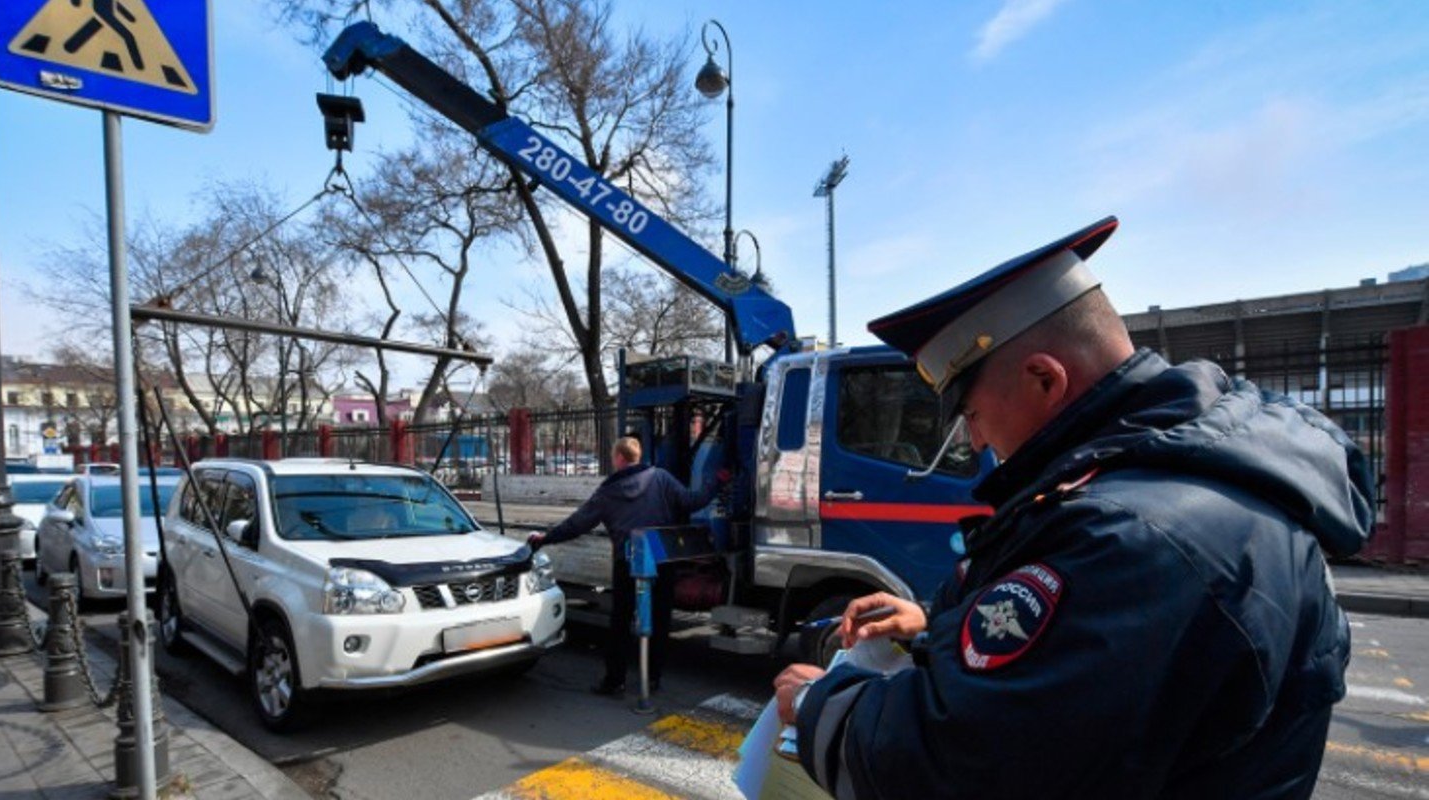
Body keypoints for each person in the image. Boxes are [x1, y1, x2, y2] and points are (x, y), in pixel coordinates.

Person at [773, 216, 1372, 799]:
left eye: (973, 414)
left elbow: (962, 763)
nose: (977, 442)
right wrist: (942, 630)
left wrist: (817, 704)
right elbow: (1103, 681)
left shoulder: (1130, 536)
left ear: (1043, 379)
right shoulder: (1199, 483)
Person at [530, 436, 728, 696]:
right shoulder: (661, 478)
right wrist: (717, 481)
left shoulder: (608, 491)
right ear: (637, 456)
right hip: (660, 559)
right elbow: (693, 501)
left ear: (619, 459)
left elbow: (577, 524)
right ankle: (652, 679)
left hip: (628, 563)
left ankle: (615, 681)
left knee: (621, 622)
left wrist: (546, 538)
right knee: (659, 621)